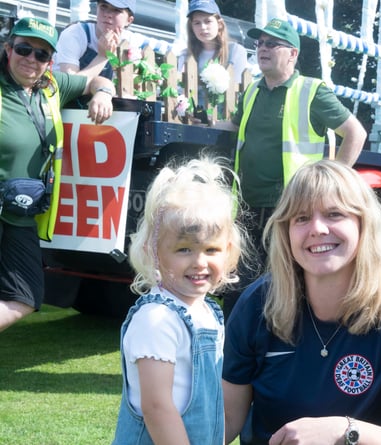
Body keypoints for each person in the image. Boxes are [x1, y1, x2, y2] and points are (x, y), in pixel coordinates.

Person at [222, 160, 381, 445]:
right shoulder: (258, 304)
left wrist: (344, 431)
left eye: (334, 214)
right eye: (301, 218)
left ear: (364, 224)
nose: (318, 229)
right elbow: (224, 421)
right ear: (286, 232)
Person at [216, 17, 367, 319]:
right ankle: (234, 359)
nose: (263, 48)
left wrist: (330, 187)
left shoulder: (312, 91)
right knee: (238, 292)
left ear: (293, 54)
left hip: (288, 214)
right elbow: (232, 126)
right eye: (259, 43)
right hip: (246, 211)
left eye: (272, 43)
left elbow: (355, 133)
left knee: (285, 291)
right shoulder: (253, 92)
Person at [112, 157, 244, 444]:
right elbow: (157, 407)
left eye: (211, 249)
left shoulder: (208, 311)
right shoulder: (156, 319)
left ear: (228, 251)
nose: (200, 262)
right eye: (184, 249)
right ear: (154, 251)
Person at [0, 17, 116, 332]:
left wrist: (103, 93)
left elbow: (94, 81)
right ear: (9, 49)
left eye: (41, 54)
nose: (31, 59)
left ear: (50, 61)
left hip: (20, 213)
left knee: (26, 296)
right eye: (24, 49)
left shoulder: (51, 85)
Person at [180, 0, 248, 118]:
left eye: (208, 21)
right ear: (191, 27)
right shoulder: (185, 55)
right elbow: (179, 91)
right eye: (197, 23)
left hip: (224, 120)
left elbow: (238, 92)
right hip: (192, 121)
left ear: (219, 24)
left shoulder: (236, 51)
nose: (203, 27)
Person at [53, 0, 141, 80]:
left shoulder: (128, 41)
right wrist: (102, 56)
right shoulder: (75, 33)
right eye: (103, 6)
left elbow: (132, 85)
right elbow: (69, 84)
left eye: (117, 10)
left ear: (129, 21)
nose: (107, 14)